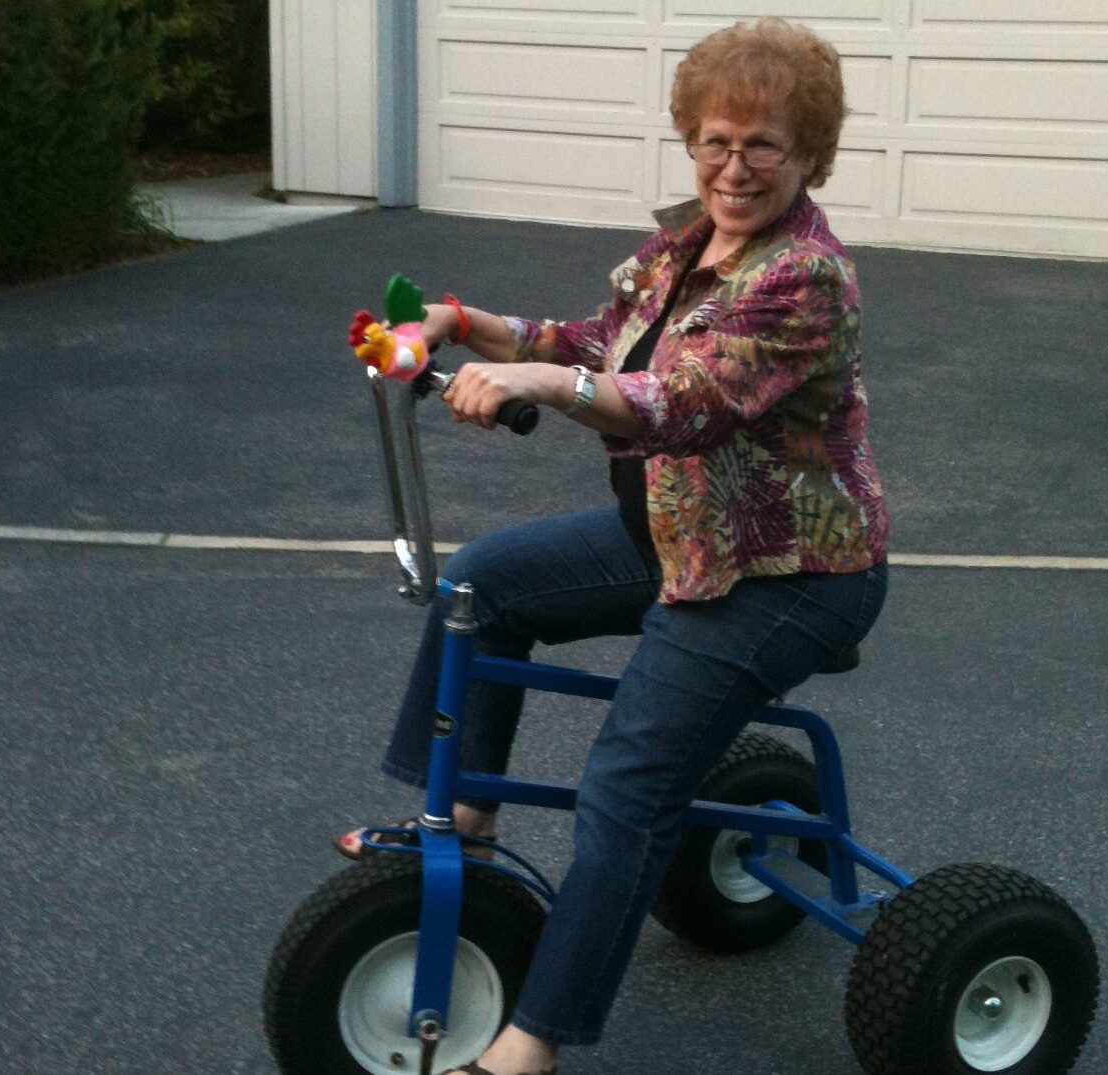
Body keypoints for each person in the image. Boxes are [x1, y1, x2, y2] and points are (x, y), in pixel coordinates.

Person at [337, 16, 890, 1075]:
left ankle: (531, 1043)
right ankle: (462, 825)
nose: (735, 165)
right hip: (681, 532)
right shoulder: (683, 246)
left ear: (808, 154)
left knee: (628, 786)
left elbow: (684, 399)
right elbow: (596, 343)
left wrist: (548, 387)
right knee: (482, 586)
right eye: (717, 140)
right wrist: (464, 320)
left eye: (764, 144)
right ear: (691, 140)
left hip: (791, 570)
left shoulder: (807, 279)